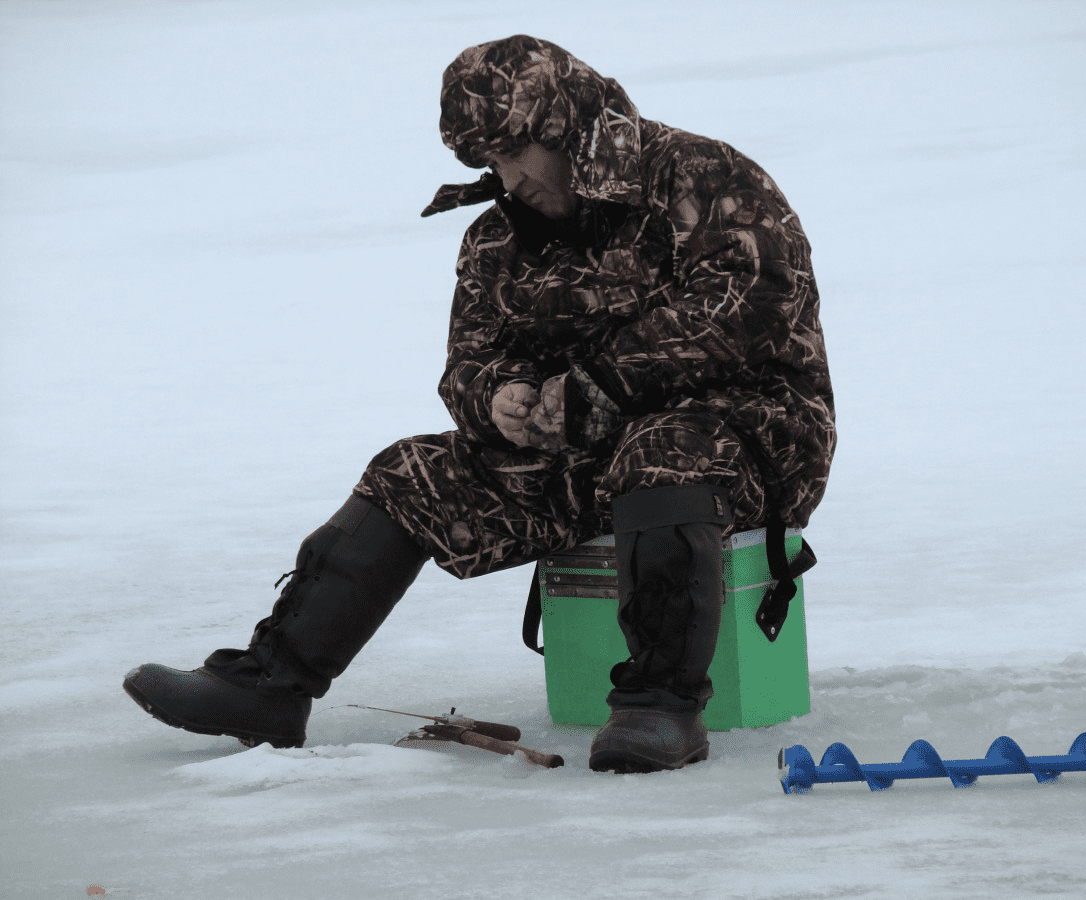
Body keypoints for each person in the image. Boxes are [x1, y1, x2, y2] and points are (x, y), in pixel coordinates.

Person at [123, 35, 836, 774]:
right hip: (587, 458)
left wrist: (594, 388)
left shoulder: (702, 176)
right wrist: (498, 399)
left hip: (753, 441)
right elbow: (466, 362)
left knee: (662, 446)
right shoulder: (496, 238)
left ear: (563, 126)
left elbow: (747, 310)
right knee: (411, 470)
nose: (508, 176)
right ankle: (270, 688)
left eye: (513, 150)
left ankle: (663, 706)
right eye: (487, 161)